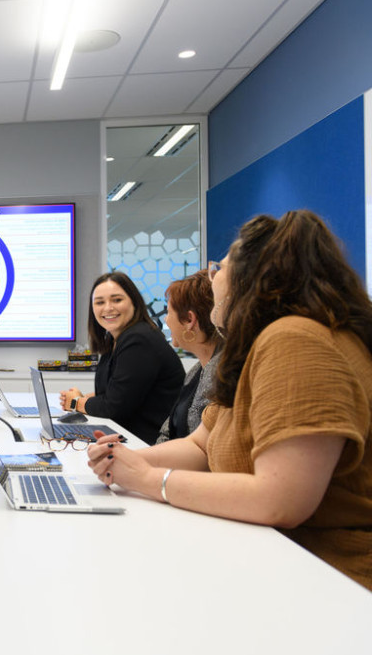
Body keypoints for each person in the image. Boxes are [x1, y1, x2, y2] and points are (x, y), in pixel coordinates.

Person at [88, 210, 372, 591]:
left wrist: (150, 479)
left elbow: (281, 499)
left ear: (253, 278)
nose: (213, 279)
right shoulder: (258, 346)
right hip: (273, 559)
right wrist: (123, 459)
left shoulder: (295, 340)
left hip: (330, 579)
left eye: (218, 269)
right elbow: (201, 444)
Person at [59, 271, 184, 445]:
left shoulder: (139, 340)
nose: (108, 308)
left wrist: (76, 403)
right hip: (127, 438)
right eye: (100, 302)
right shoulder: (115, 339)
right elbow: (114, 392)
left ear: (134, 302)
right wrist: (83, 399)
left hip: (147, 445)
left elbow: (113, 407)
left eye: (117, 300)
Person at [158, 269, 222, 443]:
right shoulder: (196, 371)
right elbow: (168, 432)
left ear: (189, 320)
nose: (166, 320)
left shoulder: (223, 376)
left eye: (168, 312)